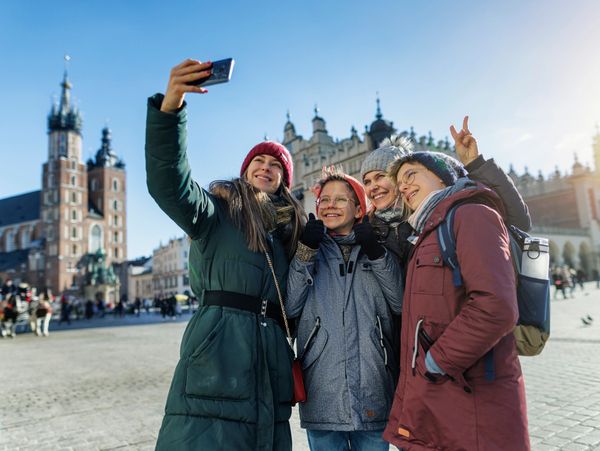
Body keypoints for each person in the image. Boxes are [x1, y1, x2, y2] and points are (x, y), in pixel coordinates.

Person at [145, 58, 306, 451]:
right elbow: (170, 184)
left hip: (269, 356)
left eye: (275, 165)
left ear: (285, 179)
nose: (266, 167)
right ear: (245, 170)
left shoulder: (285, 233)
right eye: (258, 161)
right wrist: (171, 110)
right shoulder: (216, 211)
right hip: (219, 350)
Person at [382, 143, 529, 449]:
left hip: (470, 392)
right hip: (442, 394)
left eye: (412, 174)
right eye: (400, 183)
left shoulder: (473, 214)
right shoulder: (427, 231)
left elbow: (495, 306)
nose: (404, 186)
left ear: (443, 177)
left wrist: (436, 362)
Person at [286, 168, 403, 451]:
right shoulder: (307, 248)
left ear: (358, 206)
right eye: (324, 200)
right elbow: (290, 306)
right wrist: (305, 252)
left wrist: (376, 252)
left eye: (340, 200)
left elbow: (400, 301)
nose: (330, 206)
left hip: (374, 387)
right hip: (322, 390)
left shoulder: (377, 246)